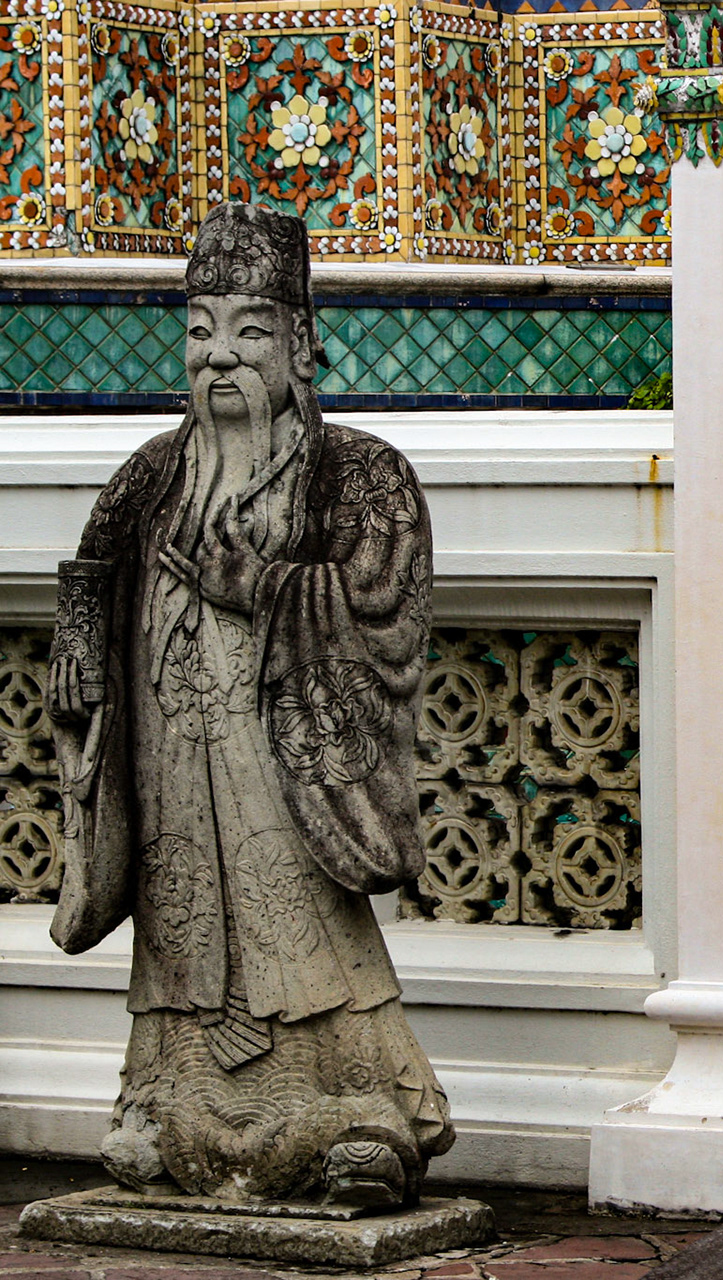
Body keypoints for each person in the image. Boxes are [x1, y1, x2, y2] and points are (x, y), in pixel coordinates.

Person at [45, 202, 449, 1207]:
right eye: (199, 331)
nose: (219, 356)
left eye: (251, 331)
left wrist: (266, 588)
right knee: (182, 919)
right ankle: (163, 1107)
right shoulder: (149, 477)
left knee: (297, 931)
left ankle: (360, 1113)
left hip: (285, 761)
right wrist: (81, 656)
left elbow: (384, 604)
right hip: (173, 755)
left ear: (301, 343)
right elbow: (90, 576)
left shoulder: (358, 475)